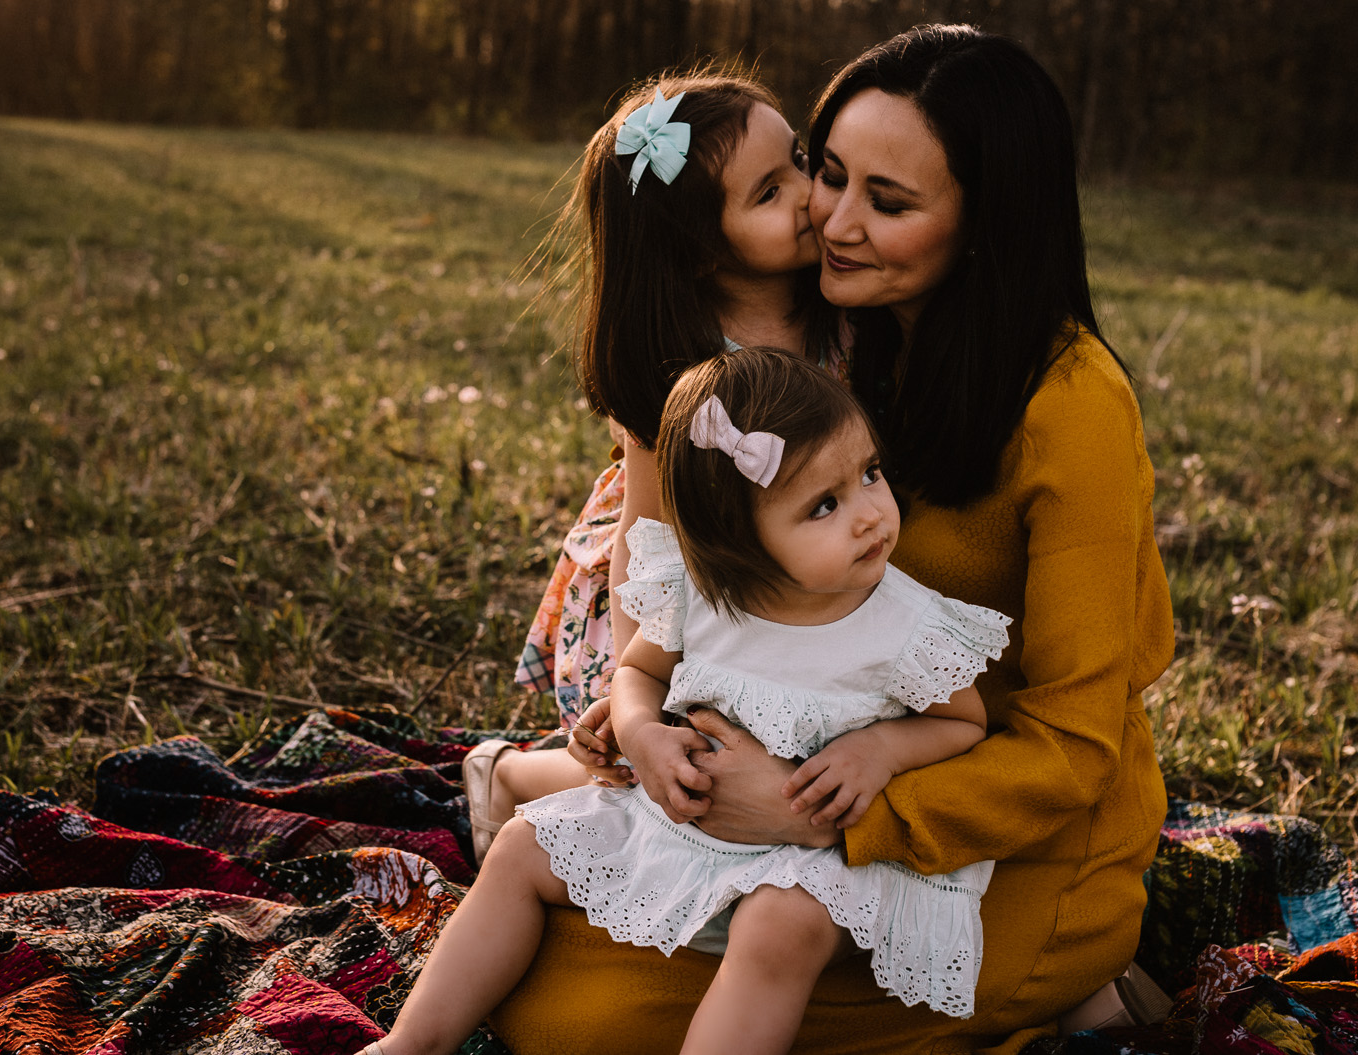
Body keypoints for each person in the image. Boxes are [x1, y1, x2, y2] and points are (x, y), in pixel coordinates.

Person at [487, 25, 1176, 1053]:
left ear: (985, 219)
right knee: (543, 1004)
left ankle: (1074, 969)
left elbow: (1071, 743)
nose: (831, 219)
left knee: (581, 1024)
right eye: (831, 173)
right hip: (808, 772)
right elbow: (674, 571)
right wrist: (663, 720)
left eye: (885, 202)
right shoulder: (848, 344)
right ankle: (516, 777)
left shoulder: (1069, 403)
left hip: (980, 816)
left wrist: (820, 811)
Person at [361, 350, 1010, 1055]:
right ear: (735, 540)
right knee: (521, 845)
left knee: (777, 926)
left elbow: (961, 721)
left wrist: (879, 749)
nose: (869, 515)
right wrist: (640, 732)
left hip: (815, 863)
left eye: (869, 474)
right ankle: (413, 1042)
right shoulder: (700, 596)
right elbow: (637, 672)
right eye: (824, 504)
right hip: (679, 830)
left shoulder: (904, 624)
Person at [469, 70, 840, 855]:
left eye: (800, 161)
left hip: (787, 577)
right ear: (701, 251)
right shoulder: (685, 366)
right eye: (770, 193)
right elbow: (647, 537)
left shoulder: (842, 311)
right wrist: (640, 694)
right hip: (672, 596)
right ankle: (512, 776)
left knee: (785, 760)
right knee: (685, 769)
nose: (810, 192)